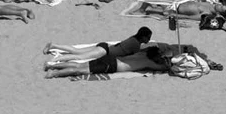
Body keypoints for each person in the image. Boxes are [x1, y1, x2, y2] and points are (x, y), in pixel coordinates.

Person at [45, 30, 153, 68]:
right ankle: (53, 61)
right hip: (104, 51)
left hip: (104, 47)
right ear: (143, 36)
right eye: (148, 37)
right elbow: (134, 56)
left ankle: (54, 45)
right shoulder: (135, 44)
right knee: (79, 56)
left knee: (77, 51)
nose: (149, 39)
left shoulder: (133, 39)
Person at [45, 46, 177, 77]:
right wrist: (169, 61)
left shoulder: (143, 53)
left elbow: (153, 50)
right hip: (112, 65)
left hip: (112, 58)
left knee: (80, 65)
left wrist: (162, 53)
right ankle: (53, 73)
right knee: (80, 70)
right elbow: (165, 68)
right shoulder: (150, 62)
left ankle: (52, 65)